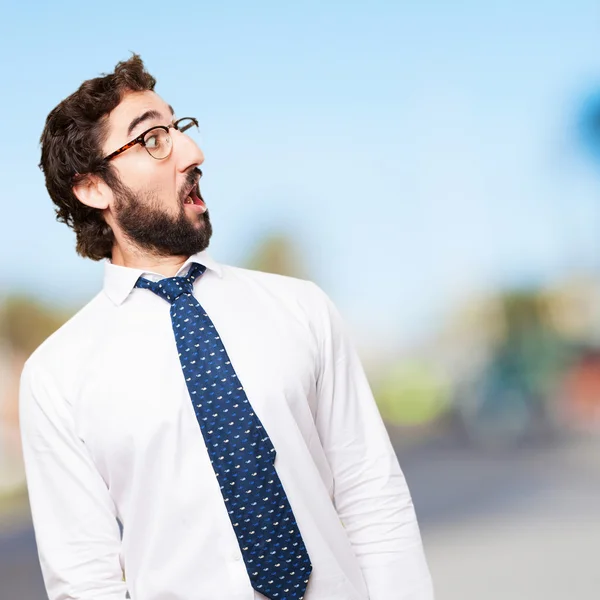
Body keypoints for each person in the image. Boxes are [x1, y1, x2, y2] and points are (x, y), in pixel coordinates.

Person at [19, 55, 434, 600]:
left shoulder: (300, 308)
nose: (193, 153)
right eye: (153, 140)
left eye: (180, 129)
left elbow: (372, 496)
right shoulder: (57, 376)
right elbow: (85, 580)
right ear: (94, 188)